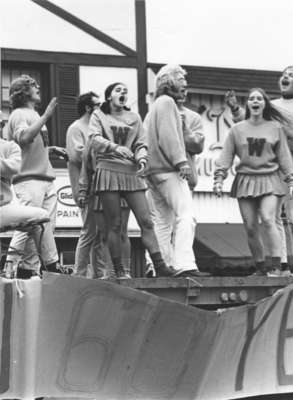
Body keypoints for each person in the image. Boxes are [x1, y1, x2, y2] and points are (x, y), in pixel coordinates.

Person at [85, 82, 175, 278]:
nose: (123, 93)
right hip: (108, 170)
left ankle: (160, 266)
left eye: (125, 91)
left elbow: (142, 142)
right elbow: (93, 139)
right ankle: (119, 270)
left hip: (131, 172)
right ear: (109, 96)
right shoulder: (98, 115)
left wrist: (142, 156)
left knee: (146, 220)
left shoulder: (134, 118)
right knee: (115, 224)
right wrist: (115, 148)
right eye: (118, 90)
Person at [225, 66, 293, 277]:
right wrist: (236, 110)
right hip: (273, 169)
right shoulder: (274, 105)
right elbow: (252, 125)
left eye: (291, 75)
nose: (285, 77)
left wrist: (284, 135)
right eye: (284, 74)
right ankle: (278, 263)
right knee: (273, 218)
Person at [214, 88, 293, 276]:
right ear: (248, 104)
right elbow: (226, 156)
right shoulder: (237, 129)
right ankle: (260, 267)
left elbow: (284, 157)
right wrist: (219, 178)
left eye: (259, 98)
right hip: (245, 180)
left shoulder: (275, 128)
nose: (255, 101)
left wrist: (291, 181)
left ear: (265, 104)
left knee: (268, 218)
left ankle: (275, 266)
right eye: (252, 99)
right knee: (250, 226)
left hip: (270, 179)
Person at [145, 64, 205, 277]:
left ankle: (159, 266)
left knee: (162, 221)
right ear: (169, 82)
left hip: (152, 172)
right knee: (186, 215)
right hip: (169, 170)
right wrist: (181, 162)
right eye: (181, 80)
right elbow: (169, 135)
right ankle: (184, 264)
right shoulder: (168, 104)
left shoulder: (153, 107)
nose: (185, 85)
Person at [5, 75, 64, 277]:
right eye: (32, 85)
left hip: (43, 177)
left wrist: (50, 149)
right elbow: (24, 138)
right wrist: (47, 115)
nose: (38, 86)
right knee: (30, 223)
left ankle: (28, 268)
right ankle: (14, 264)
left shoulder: (32, 114)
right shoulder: (19, 114)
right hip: (29, 179)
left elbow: (30, 148)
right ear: (23, 92)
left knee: (41, 226)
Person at [77, 127, 132, 278]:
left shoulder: (123, 134)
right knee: (104, 235)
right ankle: (110, 271)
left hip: (122, 186)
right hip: (99, 188)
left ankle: (124, 271)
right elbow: (85, 165)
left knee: (121, 231)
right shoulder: (93, 140)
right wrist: (83, 190)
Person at [66, 91, 109, 278]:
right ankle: (80, 273)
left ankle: (100, 274)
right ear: (88, 108)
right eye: (98, 105)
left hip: (99, 186)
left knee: (99, 233)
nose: (102, 108)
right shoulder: (76, 128)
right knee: (90, 231)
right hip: (85, 188)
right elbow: (76, 156)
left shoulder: (96, 128)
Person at [0, 137, 52, 278]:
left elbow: (14, 167)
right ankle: (13, 266)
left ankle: (49, 267)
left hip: (3, 207)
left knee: (41, 216)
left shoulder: (10, 146)